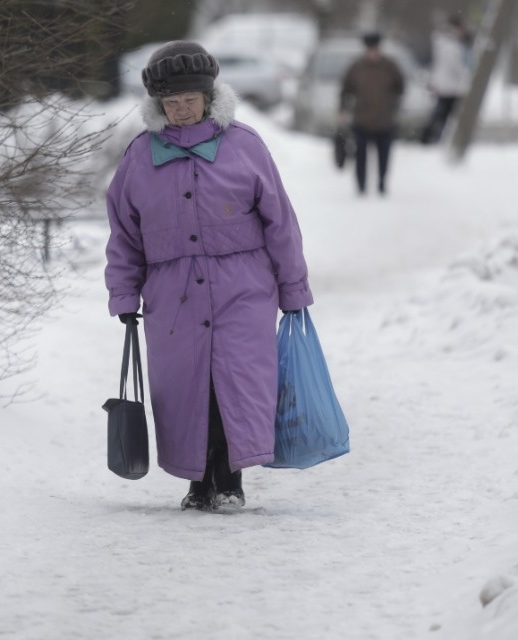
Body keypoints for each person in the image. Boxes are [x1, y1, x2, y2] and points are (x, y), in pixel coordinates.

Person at [104, 41, 314, 511]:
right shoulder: (140, 156)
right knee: (185, 389)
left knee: (233, 382)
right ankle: (199, 483)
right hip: (171, 295)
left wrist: (293, 287)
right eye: (171, 103)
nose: (180, 110)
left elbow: (280, 221)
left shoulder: (245, 146)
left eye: (188, 100)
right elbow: (124, 234)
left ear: (207, 97)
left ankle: (230, 479)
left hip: (243, 288)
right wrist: (123, 295)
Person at [339, 32, 405, 195]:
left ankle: (382, 183)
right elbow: (345, 90)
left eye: (375, 49)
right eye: (370, 49)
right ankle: (361, 186)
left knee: (384, 156)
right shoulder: (356, 67)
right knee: (360, 155)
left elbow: (401, 87)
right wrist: (342, 109)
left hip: (385, 120)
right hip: (362, 120)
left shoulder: (390, 67)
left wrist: (393, 103)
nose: (373, 53)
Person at [420, 15, 472, 144]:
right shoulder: (451, 45)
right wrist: (467, 75)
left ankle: (432, 136)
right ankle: (431, 137)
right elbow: (455, 66)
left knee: (441, 114)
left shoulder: (444, 42)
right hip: (450, 87)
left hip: (445, 85)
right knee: (444, 115)